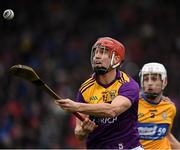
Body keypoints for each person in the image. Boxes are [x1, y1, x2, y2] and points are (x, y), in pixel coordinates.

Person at [55, 37, 143, 149]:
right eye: (96, 52)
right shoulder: (85, 89)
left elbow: (112, 110)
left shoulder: (128, 84)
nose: (96, 56)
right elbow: (78, 133)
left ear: (116, 59)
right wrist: (84, 130)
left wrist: (76, 106)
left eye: (103, 52)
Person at [138, 62, 180, 149]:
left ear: (164, 82)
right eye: (146, 79)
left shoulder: (170, 107)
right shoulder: (132, 104)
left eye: (154, 79)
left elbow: (167, 135)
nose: (149, 83)